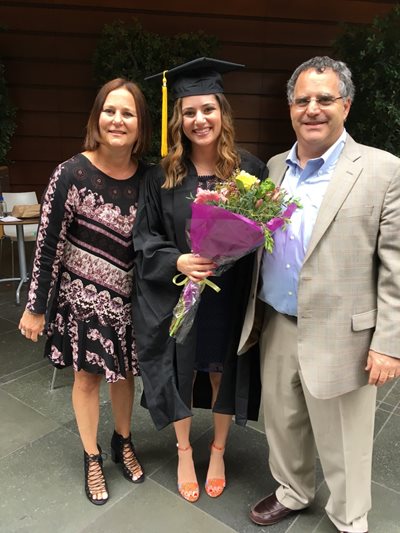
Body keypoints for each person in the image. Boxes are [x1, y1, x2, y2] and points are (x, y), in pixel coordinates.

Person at [239, 56, 400, 532]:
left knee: (345, 438)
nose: (313, 109)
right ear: (290, 107)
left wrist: (388, 342)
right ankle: (293, 490)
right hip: (278, 321)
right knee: (283, 422)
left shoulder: (382, 170)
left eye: (325, 99)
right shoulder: (272, 169)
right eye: (302, 99)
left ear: (345, 105)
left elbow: (396, 265)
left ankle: (350, 516)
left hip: (345, 331)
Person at [133, 57, 267, 503]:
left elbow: (263, 232)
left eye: (207, 109)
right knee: (182, 368)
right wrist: (177, 261)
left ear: (222, 112)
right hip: (180, 297)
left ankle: (219, 449)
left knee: (222, 369)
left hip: (228, 295)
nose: (199, 119)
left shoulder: (249, 170)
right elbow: (144, 237)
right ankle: (185, 450)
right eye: (189, 112)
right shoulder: (161, 176)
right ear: (179, 120)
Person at [18, 78, 152, 506]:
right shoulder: (70, 173)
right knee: (87, 377)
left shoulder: (150, 178)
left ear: (139, 124)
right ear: (97, 116)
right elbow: (48, 246)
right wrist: (36, 307)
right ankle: (92, 455)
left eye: (127, 113)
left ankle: (123, 440)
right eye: (110, 110)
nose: (118, 119)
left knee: (126, 374)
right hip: (80, 302)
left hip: (129, 303)